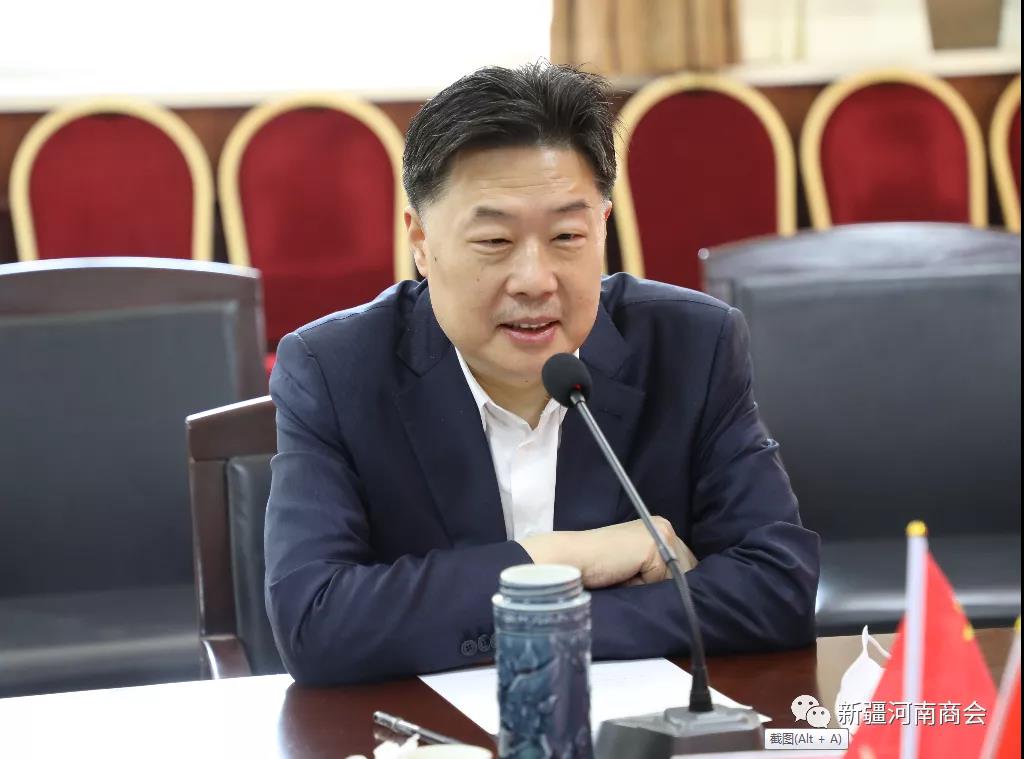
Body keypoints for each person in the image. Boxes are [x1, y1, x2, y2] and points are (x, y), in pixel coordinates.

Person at [265, 62, 819, 686]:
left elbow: (777, 588)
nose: (535, 280)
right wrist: (558, 559)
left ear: (603, 227)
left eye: (566, 236)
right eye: (494, 242)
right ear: (420, 240)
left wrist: (541, 618)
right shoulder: (335, 370)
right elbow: (316, 623)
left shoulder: (692, 347)